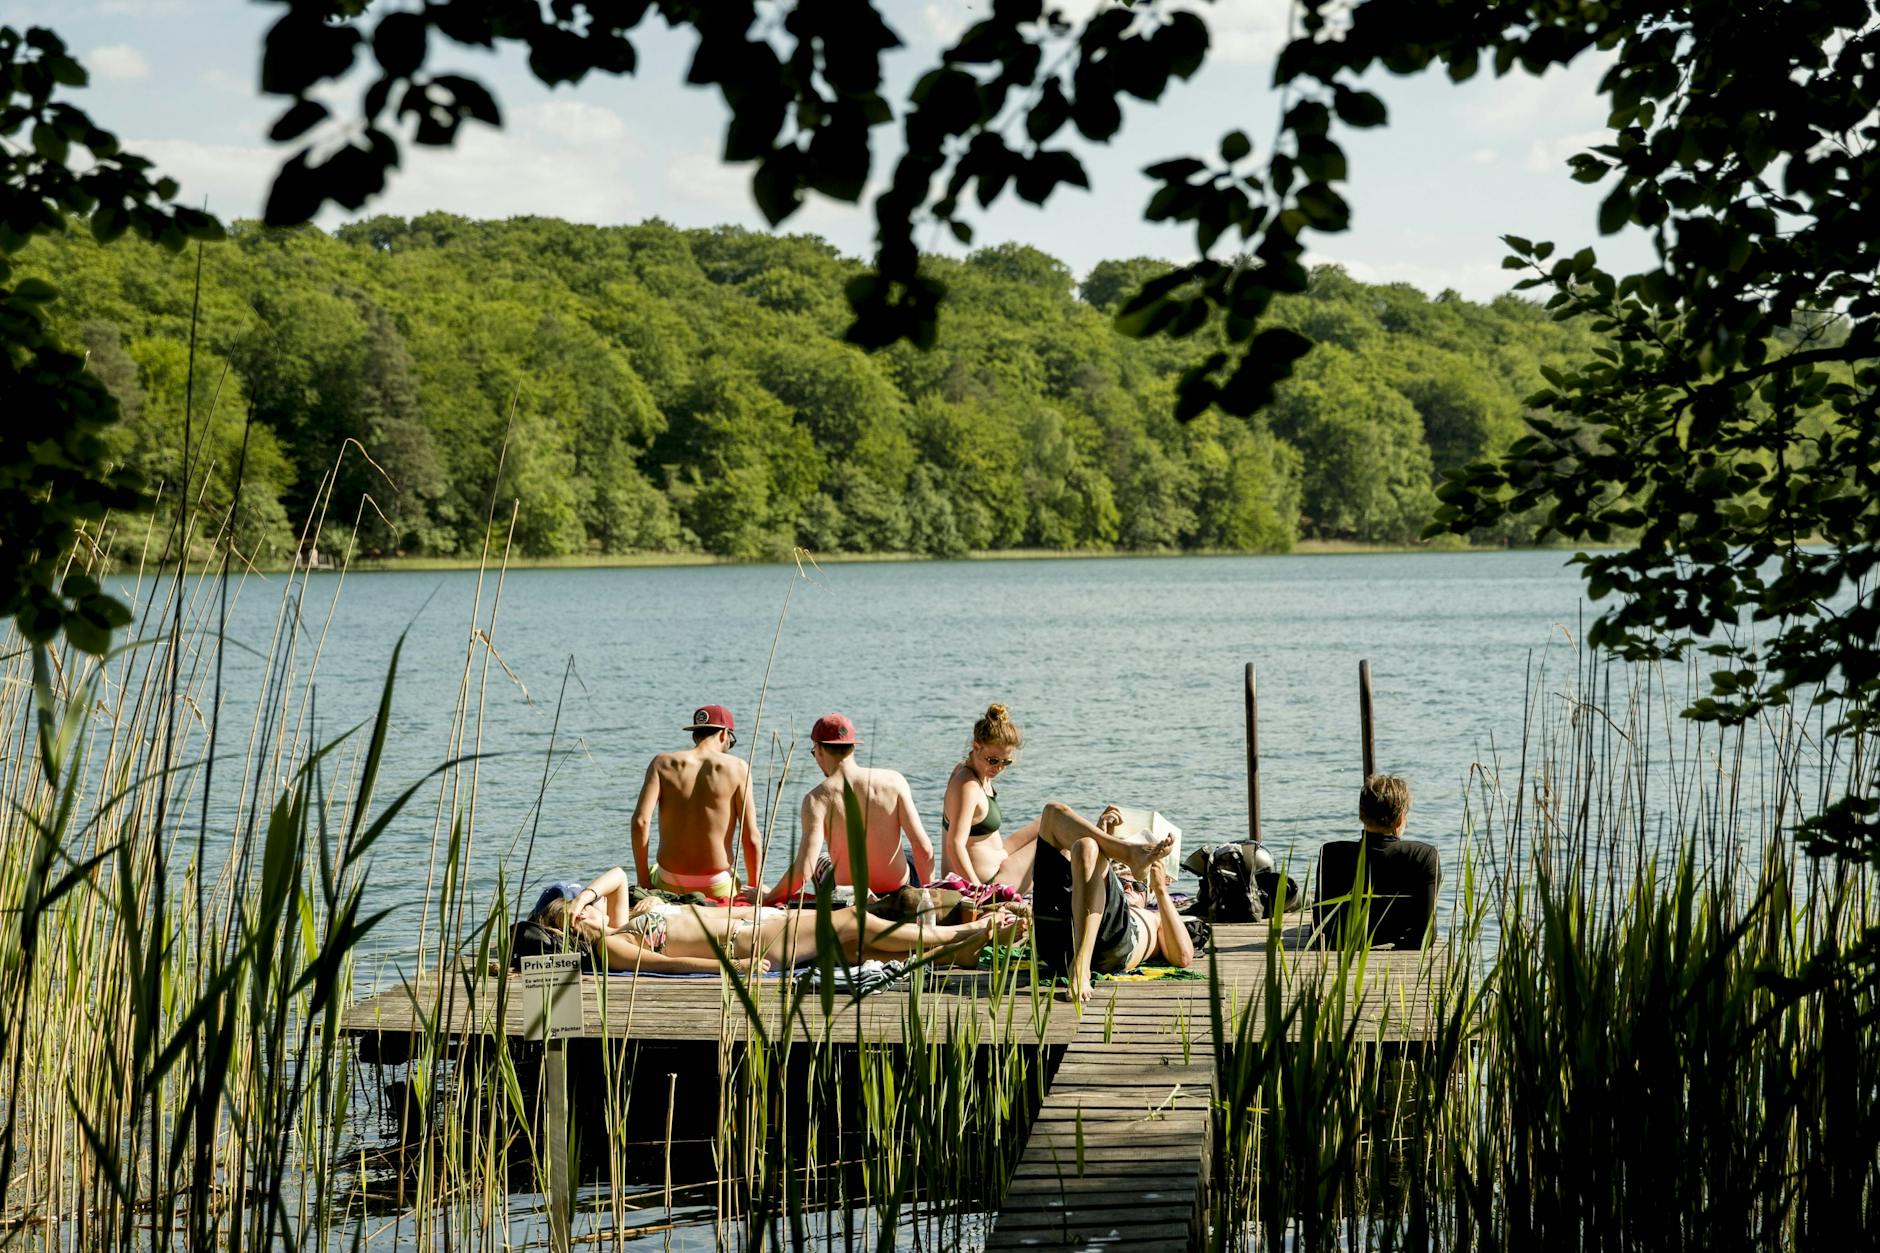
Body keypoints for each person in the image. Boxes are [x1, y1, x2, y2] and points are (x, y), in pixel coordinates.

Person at [533, 867, 1025, 975]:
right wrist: (733, 969)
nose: (592, 902)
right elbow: (668, 966)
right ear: (571, 924)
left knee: (855, 946)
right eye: (582, 905)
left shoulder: (619, 915)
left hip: (754, 926)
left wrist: (588, 895)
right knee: (848, 918)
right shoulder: (610, 946)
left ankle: (948, 950)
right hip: (754, 943)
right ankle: (965, 931)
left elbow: (618, 876)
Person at [765, 713, 937, 903]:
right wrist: (928, 897)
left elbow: (805, 868)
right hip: (899, 889)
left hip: (850, 895)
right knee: (909, 854)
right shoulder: (894, 781)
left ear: (819, 749)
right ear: (853, 747)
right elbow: (924, 849)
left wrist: (767, 897)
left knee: (821, 860)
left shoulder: (817, 799)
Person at [1030, 804, 1192, 1002]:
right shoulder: (1105, 882)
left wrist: (1160, 890)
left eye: (1138, 886)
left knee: (1087, 846)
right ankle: (1122, 852)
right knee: (1054, 814)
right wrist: (1100, 839)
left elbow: (1182, 957)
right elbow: (1088, 869)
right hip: (1054, 938)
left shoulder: (1155, 918)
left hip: (1110, 946)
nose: (1128, 888)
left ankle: (1081, 966)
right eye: (1122, 881)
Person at [630, 704, 764, 901]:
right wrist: (754, 887)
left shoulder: (662, 763)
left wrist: (644, 883)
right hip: (717, 885)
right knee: (735, 878)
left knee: (655, 870)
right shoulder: (737, 768)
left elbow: (640, 823)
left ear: (695, 735)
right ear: (725, 734)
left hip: (669, 882)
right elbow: (750, 837)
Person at [1314, 774, 1441, 950]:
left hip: (1340, 944)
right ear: (1400, 819)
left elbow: (1321, 928)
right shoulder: (1423, 857)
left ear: (1362, 816)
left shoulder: (1331, 854)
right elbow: (1426, 936)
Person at [941, 704, 1041, 889]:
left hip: (999, 858)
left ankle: (1102, 839)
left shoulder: (977, 772)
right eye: (993, 760)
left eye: (1006, 762)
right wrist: (978, 892)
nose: (999, 767)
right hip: (987, 882)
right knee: (1058, 840)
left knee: (1050, 818)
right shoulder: (968, 786)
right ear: (976, 747)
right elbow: (954, 844)